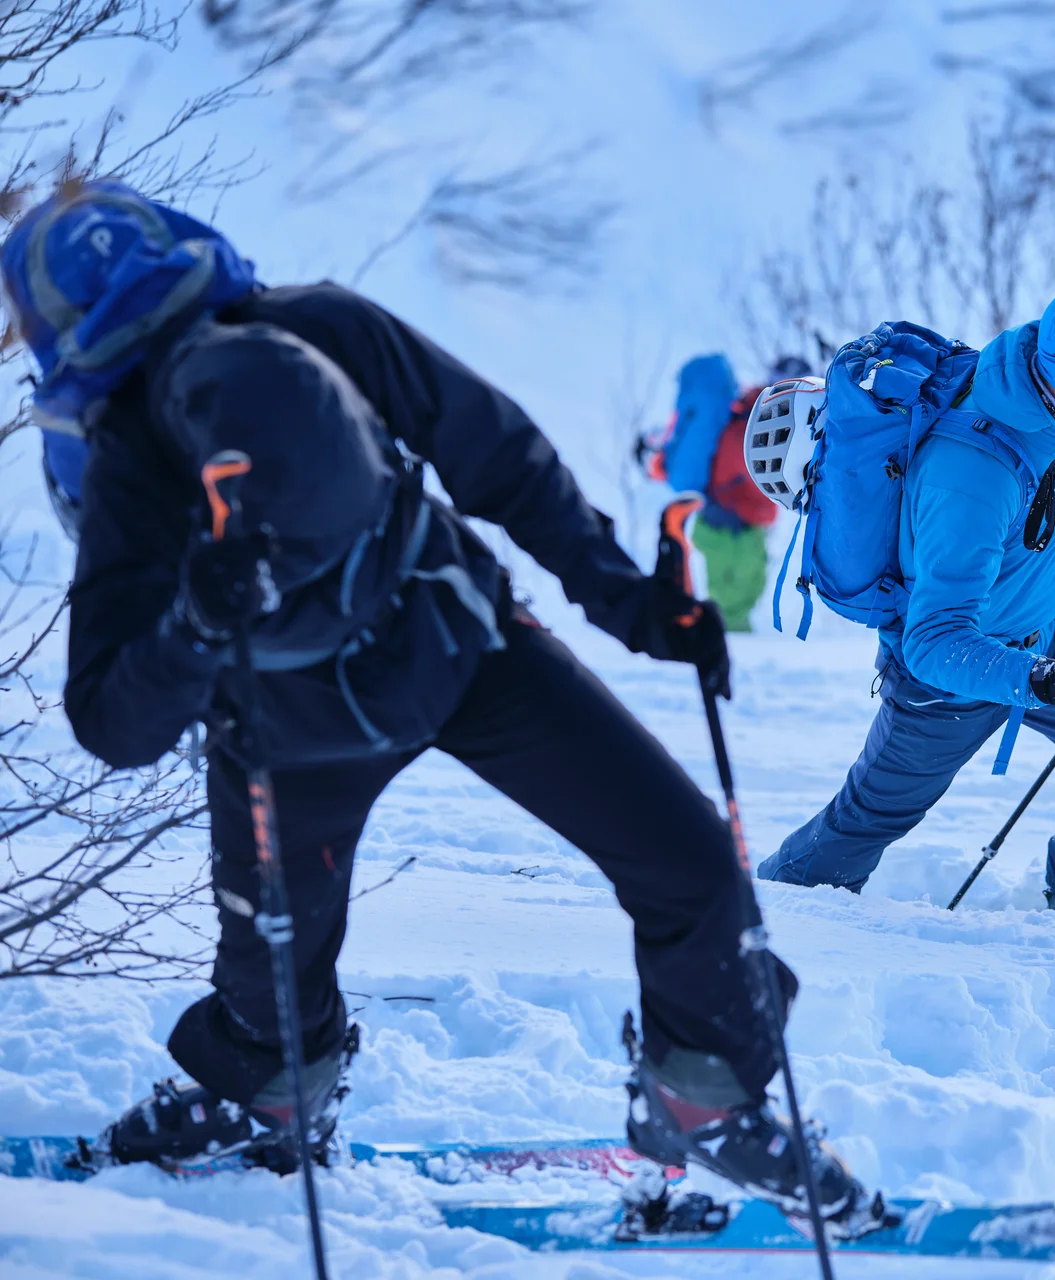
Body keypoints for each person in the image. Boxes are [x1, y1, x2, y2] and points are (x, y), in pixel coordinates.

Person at [4, 181, 871, 1224]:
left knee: (685, 859)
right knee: (673, 866)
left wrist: (629, 602)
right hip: (330, 700)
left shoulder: (309, 332)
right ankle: (269, 1092)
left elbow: (494, 454)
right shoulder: (132, 456)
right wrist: (194, 622)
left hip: (460, 644)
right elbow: (112, 717)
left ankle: (705, 1099)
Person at [758, 284, 1055, 917]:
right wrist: (1045, 682)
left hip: (1045, 642)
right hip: (950, 685)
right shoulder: (973, 476)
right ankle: (767, 914)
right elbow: (933, 641)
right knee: (864, 823)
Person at [640, 354, 798, 632]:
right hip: (728, 522)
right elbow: (749, 468)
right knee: (731, 605)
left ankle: (733, 648)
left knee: (745, 593)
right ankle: (729, 652)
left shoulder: (752, 411)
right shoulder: (750, 422)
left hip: (736, 522)